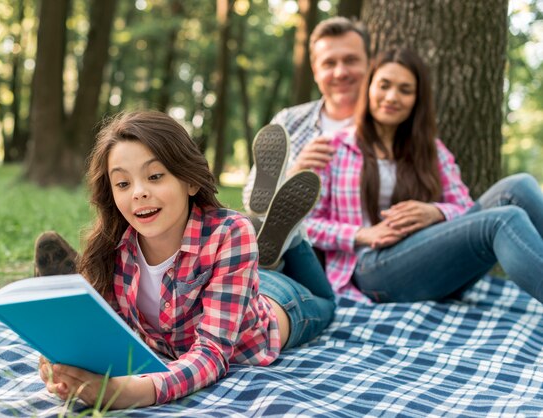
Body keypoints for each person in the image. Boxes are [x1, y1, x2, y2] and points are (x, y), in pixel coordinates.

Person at [36, 111, 335, 409]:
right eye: (123, 184)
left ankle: (292, 236)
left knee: (327, 301)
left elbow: (212, 353)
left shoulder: (230, 234)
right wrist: (64, 363)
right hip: (234, 277)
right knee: (255, 263)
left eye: (155, 176)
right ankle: (268, 240)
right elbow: (108, 333)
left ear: (190, 182)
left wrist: (137, 392)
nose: (139, 193)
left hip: (280, 305)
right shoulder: (116, 246)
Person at [304, 47, 543, 306]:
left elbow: (465, 206)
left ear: (417, 99)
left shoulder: (432, 150)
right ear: (369, 88)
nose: (392, 97)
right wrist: (362, 234)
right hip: (370, 269)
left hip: (433, 264)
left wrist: (436, 213)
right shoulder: (333, 148)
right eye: (384, 85)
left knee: (519, 185)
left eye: (405, 90)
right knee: (504, 220)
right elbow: (306, 225)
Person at [243, 16, 370, 215]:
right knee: (262, 220)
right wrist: (296, 172)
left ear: (369, 64)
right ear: (315, 71)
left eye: (351, 60)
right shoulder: (288, 122)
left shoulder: (385, 125)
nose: (340, 72)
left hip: (361, 238)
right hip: (295, 236)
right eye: (329, 63)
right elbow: (251, 198)